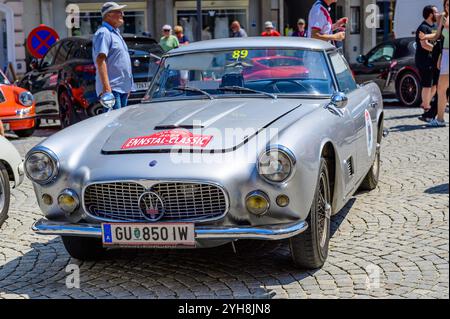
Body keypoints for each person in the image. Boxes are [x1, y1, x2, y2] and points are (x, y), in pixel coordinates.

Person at [93, 2, 133, 112]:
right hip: (112, 89)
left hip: (121, 89)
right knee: (113, 126)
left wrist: (127, 86)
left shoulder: (116, 33)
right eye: (119, 12)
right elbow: (100, 60)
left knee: (120, 125)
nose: (122, 14)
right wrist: (107, 89)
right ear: (109, 14)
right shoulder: (104, 33)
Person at [415, 5, 439, 112]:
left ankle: (426, 102)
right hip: (424, 60)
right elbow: (424, 44)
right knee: (427, 84)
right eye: (436, 12)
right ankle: (426, 107)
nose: (438, 14)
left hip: (433, 60)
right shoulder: (423, 28)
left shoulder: (434, 27)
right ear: (430, 14)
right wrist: (437, 50)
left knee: (436, 84)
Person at [430, 0, 449, 127]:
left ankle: (441, 119)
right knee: (441, 89)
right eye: (447, 5)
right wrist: (423, 37)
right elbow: (437, 35)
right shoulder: (444, 18)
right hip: (446, 54)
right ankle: (440, 119)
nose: (448, 7)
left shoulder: (445, 19)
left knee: (442, 88)